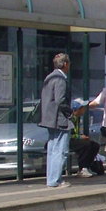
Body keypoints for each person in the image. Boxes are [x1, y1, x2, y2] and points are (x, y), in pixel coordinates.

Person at [40, 53, 72, 188]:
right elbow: (60, 100)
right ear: (65, 64)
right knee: (61, 150)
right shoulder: (60, 79)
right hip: (59, 119)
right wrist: (70, 111)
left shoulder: (49, 77)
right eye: (69, 63)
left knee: (52, 149)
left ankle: (51, 179)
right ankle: (55, 180)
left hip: (49, 118)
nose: (69, 66)